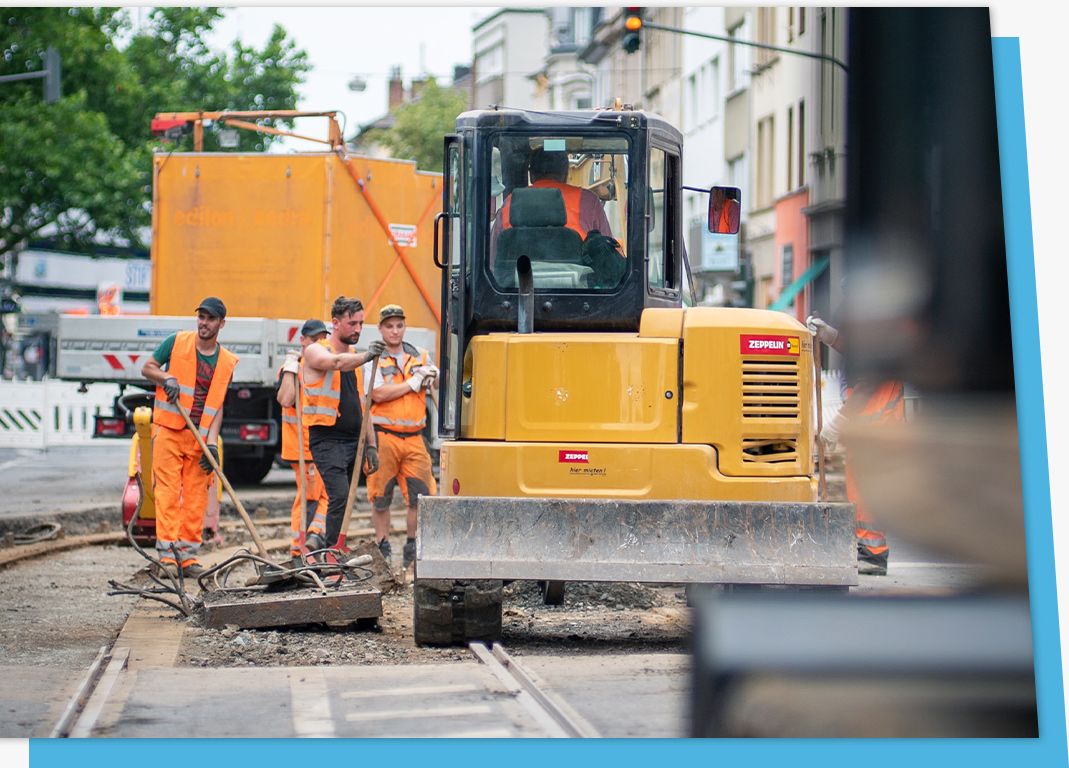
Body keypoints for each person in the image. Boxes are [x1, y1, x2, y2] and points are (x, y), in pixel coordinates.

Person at [141, 297, 238, 578]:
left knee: (196, 496)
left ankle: (188, 557)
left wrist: (211, 442)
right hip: (169, 430)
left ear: (222, 323)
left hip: (199, 437)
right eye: (201, 317)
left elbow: (217, 406)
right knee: (168, 493)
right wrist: (165, 378)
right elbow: (147, 367)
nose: (203, 323)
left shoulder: (226, 362)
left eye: (210, 319)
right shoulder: (177, 342)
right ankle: (168, 556)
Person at [807, 314, 898, 575]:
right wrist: (831, 336)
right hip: (872, 429)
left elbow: (870, 383)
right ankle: (867, 549)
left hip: (878, 429)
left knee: (867, 492)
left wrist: (838, 422)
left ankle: (873, 553)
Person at [300, 296, 385, 552]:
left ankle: (337, 547)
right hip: (327, 439)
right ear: (335, 323)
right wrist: (367, 356)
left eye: (361, 323)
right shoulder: (316, 350)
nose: (358, 329)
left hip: (352, 441)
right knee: (338, 495)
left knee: (347, 499)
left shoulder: (356, 361)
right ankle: (329, 552)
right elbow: (334, 363)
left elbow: (363, 403)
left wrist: (371, 444)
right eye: (352, 323)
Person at [363, 304, 438, 570]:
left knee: (421, 496)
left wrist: (431, 375)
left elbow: (437, 382)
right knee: (380, 497)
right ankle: (383, 547)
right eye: (389, 326)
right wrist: (412, 383)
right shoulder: (373, 358)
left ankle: (412, 547)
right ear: (381, 328)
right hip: (384, 437)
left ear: (404, 327)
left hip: (415, 437)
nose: (395, 331)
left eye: (399, 325)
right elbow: (378, 394)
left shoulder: (420, 356)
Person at [276, 318, 331, 564]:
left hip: (318, 444)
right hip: (303, 446)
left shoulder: (322, 366)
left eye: (322, 338)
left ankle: (311, 541)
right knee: (311, 498)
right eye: (314, 339)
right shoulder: (294, 369)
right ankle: (303, 547)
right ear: (302, 341)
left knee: (322, 495)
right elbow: (286, 399)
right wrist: (290, 367)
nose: (319, 343)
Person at [494, 147, 614, 241]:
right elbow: (608, 252)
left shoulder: (510, 203)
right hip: (578, 272)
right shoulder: (588, 201)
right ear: (566, 173)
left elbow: (492, 260)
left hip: (519, 272)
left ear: (531, 175)